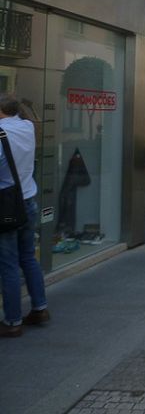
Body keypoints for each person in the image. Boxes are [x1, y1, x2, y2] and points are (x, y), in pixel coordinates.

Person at [0, 95, 49, 338]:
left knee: (8, 264)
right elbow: (34, 120)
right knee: (28, 257)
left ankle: (12, 321)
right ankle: (40, 308)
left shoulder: (1, 133)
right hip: (28, 199)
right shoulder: (27, 127)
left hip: (6, 205)